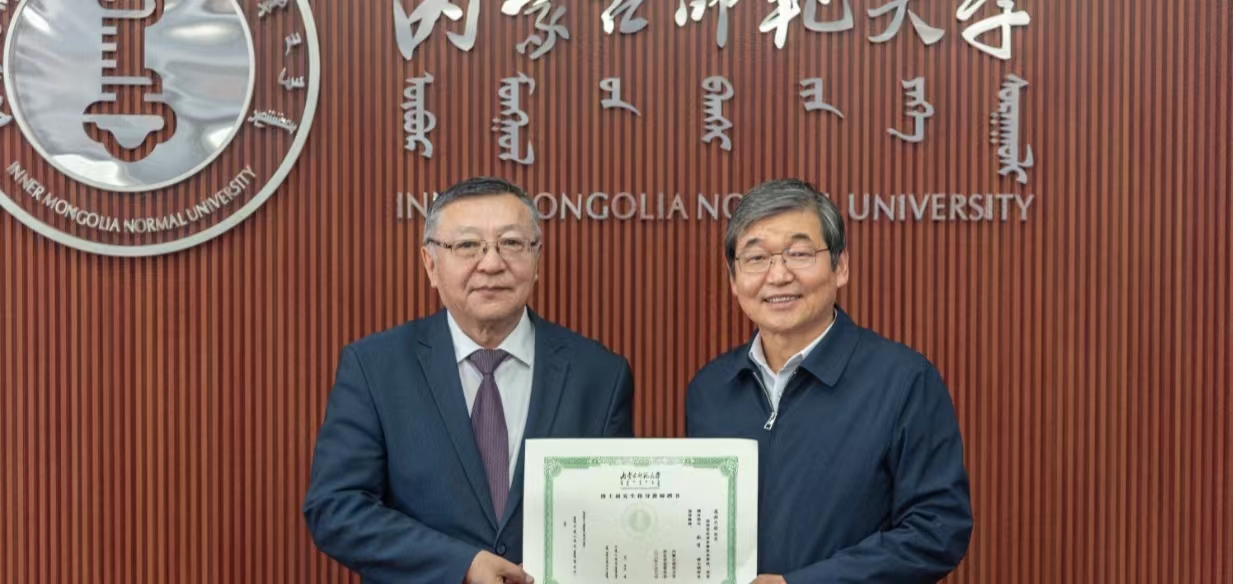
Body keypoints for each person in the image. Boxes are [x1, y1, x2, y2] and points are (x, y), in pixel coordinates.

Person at [304, 177, 635, 583]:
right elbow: (336, 508)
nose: (491, 263)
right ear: (430, 264)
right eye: (467, 245)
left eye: (511, 243)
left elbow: (614, 512)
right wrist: (461, 565)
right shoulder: (374, 367)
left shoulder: (600, 374)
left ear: (537, 260)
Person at [685, 179, 972, 583]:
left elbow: (936, 531)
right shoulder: (711, 389)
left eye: (800, 254)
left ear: (841, 267)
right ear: (734, 279)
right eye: (756, 258)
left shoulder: (903, 381)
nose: (778, 275)